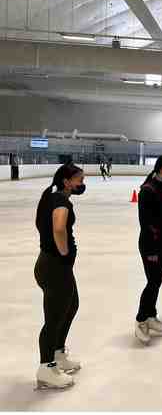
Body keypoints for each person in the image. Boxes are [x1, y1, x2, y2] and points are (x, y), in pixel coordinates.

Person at [34, 163, 86, 390]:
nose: (82, 184)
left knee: (71, 305)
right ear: (67, 181)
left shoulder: (52, 197)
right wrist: (64, 252)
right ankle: (46, 368)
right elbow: (58, 228)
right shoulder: (61, 201)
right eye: (79, 180)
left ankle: (58, 353)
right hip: (54, 266)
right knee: (53, 318)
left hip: (54, 266)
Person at [134, 155, 162, 345]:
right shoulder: (147, 190)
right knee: (152, 282)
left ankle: (151, 316)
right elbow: (146, 223)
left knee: (157, 282)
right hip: (151, 245)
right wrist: (153, 249)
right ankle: (141, 320)